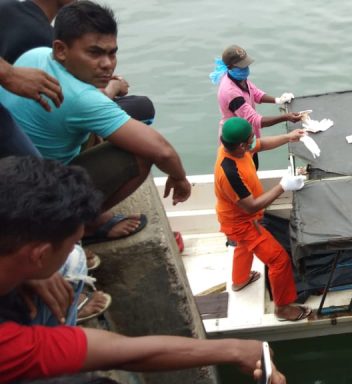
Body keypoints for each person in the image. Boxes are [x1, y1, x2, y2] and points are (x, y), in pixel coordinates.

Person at [0, 156, 286, 383]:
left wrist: (30, 273)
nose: (79, 247)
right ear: (37, 255)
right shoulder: (8, 346)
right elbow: (117, 354)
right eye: (75, 241)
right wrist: (234, 350)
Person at [0, 1, 192, 245]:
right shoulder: (83, 98)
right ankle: (82, 225)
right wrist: (179, 179)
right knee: (140, 155)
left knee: (109, 128)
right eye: (95, 53)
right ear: (60, 50)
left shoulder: (35, 56)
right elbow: (162, 150)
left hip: (13, 174)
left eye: (112, 53)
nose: (107, 63)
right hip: (37, 199)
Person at [214, 117, 311, 321]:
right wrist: (283, 186)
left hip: (233, 216)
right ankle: (282, 308)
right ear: (241, 145)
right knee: (279, 260)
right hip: (242, 222)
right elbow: (251, 206)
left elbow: (261, 144)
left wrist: (288, 137)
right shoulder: (229, 173)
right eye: (251, 138)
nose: (254, 140)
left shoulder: (234, 148)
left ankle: (240, 280)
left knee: (243, 246)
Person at [0, 0, 155, 125]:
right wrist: (115, 85)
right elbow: (82, 99)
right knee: (141, 107)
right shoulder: (46, 41)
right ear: (59, 50)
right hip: (36, 124)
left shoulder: (5, 7)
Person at [211, 44, 302, 167]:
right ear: (230, 67)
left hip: (248, 138)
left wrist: (278, 100)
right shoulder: (230, 92)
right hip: (236, 141)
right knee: (245, 170)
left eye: (246, 65)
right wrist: (286, 117)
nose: (246, 69)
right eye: (242, 66)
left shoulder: (239, 78)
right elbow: (255, 120)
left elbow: (255, 93)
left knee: (254, 164)